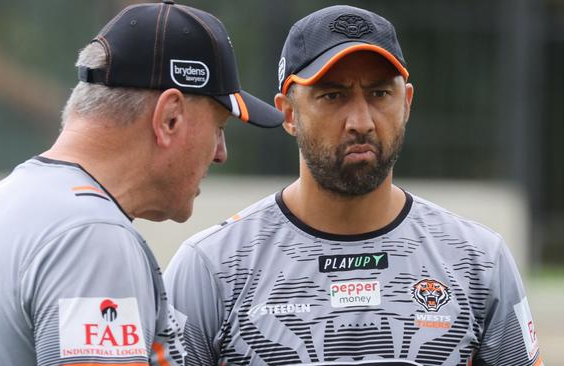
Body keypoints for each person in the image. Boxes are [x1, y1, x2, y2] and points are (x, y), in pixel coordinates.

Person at [164, 5, 544, 366]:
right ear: (288, 113)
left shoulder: (478, 261)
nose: (361, 121)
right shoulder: (212, 267)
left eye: (380, 94)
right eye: (333, 95)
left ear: (407, 103)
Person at [0, 1, 283, 365]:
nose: (220, 152)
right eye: (219, 128)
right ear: (170, 118)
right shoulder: (93, 237)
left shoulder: (9, 200)